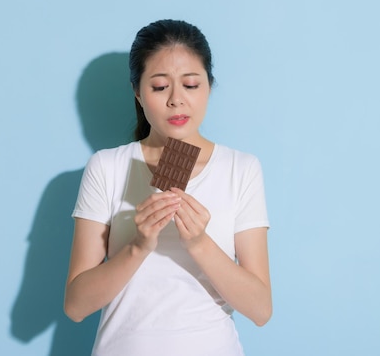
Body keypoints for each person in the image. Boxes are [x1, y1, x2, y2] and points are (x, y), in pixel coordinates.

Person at [64, 19, 272, 356]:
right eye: (160, 87)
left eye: (191, 84)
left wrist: (199, 243)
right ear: (137, 91)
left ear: (208, 86)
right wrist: (138, 246)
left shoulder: (241, 169)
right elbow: (75, 306)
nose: (177, 100)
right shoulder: (107, 167)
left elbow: (261, 310)